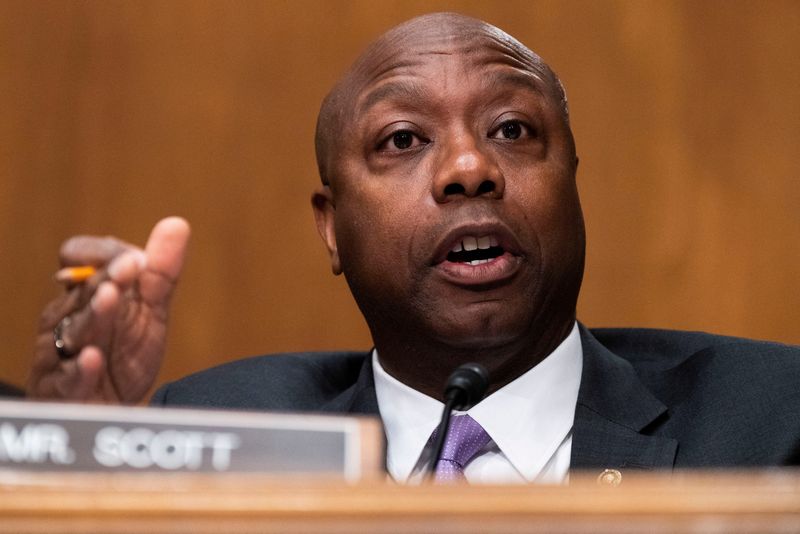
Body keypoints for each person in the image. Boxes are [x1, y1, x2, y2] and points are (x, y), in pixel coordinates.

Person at [27, 13, 800, 484]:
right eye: (402, 139)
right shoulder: (212, 425)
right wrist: (73, 459)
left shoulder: (772, 422)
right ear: (331, 227)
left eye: (512, 130)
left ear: (572, 181)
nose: (470, 169)